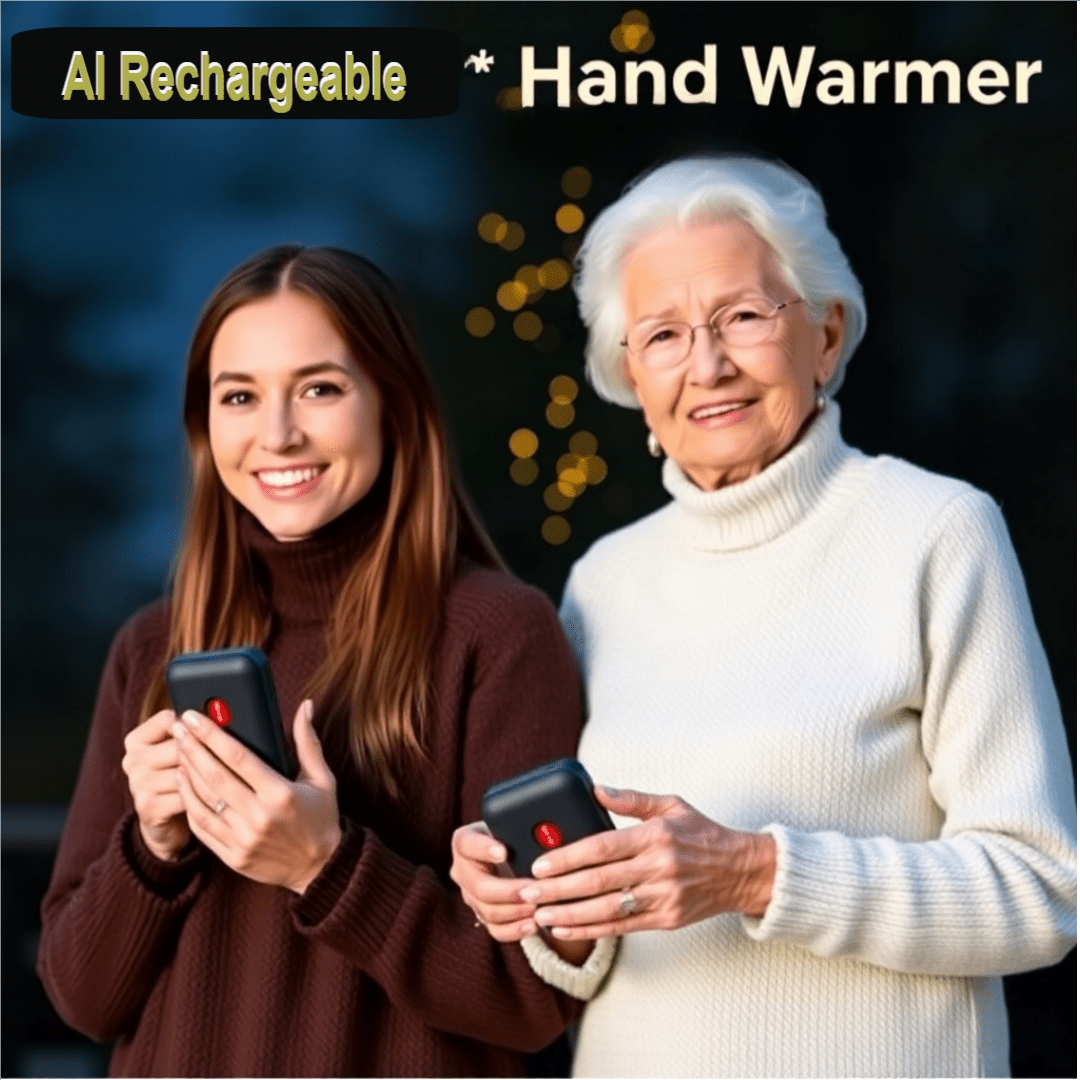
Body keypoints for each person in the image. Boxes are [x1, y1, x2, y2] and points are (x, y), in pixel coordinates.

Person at [451, 156, 1077, 1077]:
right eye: (663, 334)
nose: (707, 365)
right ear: (631, 375)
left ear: (825, 334)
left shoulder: (937, 532)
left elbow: (1044, 891)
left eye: (742, 315)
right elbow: (585, 964)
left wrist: (757, 873)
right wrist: (536, 905)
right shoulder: (603, 581)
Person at [36, 246, 607, 1077]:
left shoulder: (499, 635)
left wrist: (325, 865)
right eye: (240, 396)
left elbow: (532, 1000)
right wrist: (152, 846)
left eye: (320, 388)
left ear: (394, 407)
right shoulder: (152, 649)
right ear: (206, 428)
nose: (278, 434)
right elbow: (81, 998)